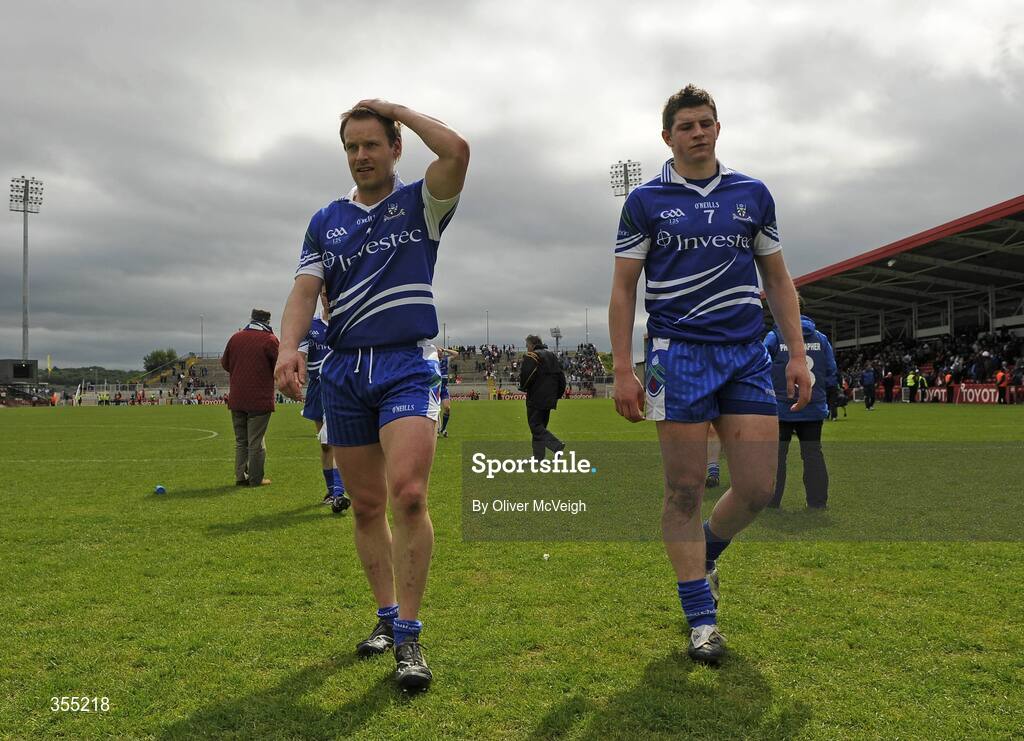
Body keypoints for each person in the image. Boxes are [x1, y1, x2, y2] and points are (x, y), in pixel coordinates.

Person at [608, 84, 811, 665]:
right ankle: (702, 618)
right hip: (678, 356)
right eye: (685, 126)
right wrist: (623, 367)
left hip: (747, 352)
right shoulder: (645, 201)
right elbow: (625, 289)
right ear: (667, 136)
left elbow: (776, 278)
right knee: (684, 489)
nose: (697, 133)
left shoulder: (753, 194)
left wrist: (797, 353)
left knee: (755, 488)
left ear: (718, 128)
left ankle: (710, 552)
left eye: (706, 123)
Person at [275, 99, 468, 692]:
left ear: (395, 148)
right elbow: (306, 290)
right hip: (344, 372)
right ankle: (385, 618)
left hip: (408, 363)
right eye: (351, 147)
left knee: (408, 494)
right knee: (365, 507)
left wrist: (394, 109)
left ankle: (410, 635)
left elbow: (457, 151)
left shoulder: (422, 203)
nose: (360, 156)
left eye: (371, 143)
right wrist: (289, 347)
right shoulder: (325, 220)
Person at [764, 312, 837, 509]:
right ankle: (817, 502)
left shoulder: (774, 337)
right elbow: (831, 371)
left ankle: (772, 501)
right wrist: (826, 397)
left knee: (777, 455)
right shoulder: (821, 339)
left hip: (781, 406)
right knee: (813, 453)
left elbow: (760, 366)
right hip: (812, 406)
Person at [298, 288, 350, 511]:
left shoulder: (348, 322)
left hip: (342, 387)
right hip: (318, 389)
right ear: (320, 296)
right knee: (326, 445)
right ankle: (333, 491)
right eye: (325, 294)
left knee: (338, 442)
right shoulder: (310, 326)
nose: (328, 298)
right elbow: (299, 357)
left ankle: (339, 493)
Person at [221, 308, 279, 487]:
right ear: (267, 322)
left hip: (237, 398)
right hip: (259, 399)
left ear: (251, 319)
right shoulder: (270, 340)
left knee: (241, 441)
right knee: (256, 441)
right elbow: (279, 365)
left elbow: (225, 363)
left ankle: (240, 476)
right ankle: (255, 478)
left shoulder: (236, 338)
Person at [518, 334, 567, 460]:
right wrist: (557, 395)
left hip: (536, 397)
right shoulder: (551, 356)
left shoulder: (533, 356)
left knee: (535, 426)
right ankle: (538, 457)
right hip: (549, 398)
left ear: (532, 345)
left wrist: (523, 387)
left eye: (527, 345)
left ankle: (556, 445)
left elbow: (527, 375)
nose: (526, 348)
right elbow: (561, 377)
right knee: (540, 427)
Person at [436, 346, 459, 437]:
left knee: (447, 408)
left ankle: (443, 429)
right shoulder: (432, 361)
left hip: (444, 389)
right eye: (438, 351)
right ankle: (437, 430)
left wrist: (445, 349)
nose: (440, 353)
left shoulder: (446, 360)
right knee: (436, 410)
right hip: (435, 389)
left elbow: (456, 354)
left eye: (441, 351)